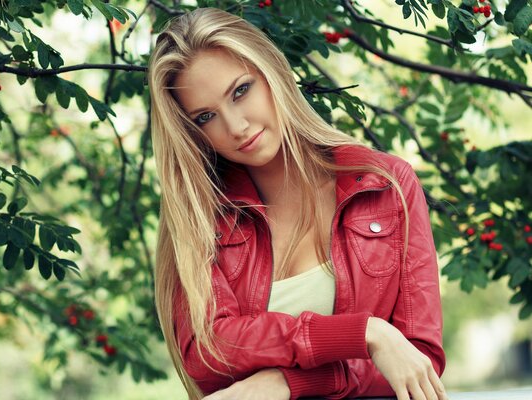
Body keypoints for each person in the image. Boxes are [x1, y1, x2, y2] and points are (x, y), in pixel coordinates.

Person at [148, 7, 446, 400]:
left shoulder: (386, 186)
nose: (237, 127)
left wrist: (287, 382)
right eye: (206, 117)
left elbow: (418, 360)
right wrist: (364, 333)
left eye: (241, 91)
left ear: (273, 72)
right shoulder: (202, 218)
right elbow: (206, 350)